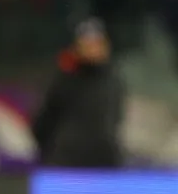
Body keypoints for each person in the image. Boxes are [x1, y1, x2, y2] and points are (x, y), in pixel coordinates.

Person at [31, 18, 124, 168]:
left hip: (104, 164)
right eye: (87, 44)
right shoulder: (63, 80)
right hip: (66, 163)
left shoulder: (113, 81)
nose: (93, 49)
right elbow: (44, 121)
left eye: (97, 43)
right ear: (76, 47)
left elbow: (114, 121)